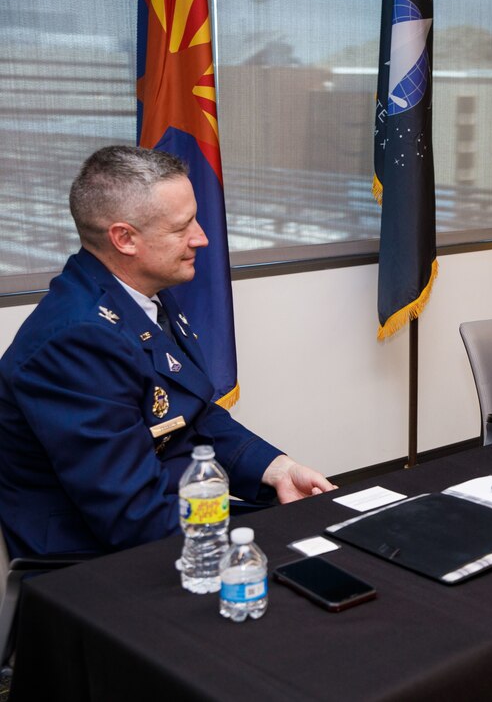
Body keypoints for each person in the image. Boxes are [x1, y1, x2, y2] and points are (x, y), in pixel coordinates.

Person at [0, 146, 335, 558]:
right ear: (124, 239)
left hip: (176, 516)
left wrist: (275, 468)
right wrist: (257, 542)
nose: (202, 237)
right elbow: (131, 517)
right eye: (181, 228)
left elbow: (191, 413)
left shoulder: (138, 292)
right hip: (95, 562)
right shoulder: (77, 340)